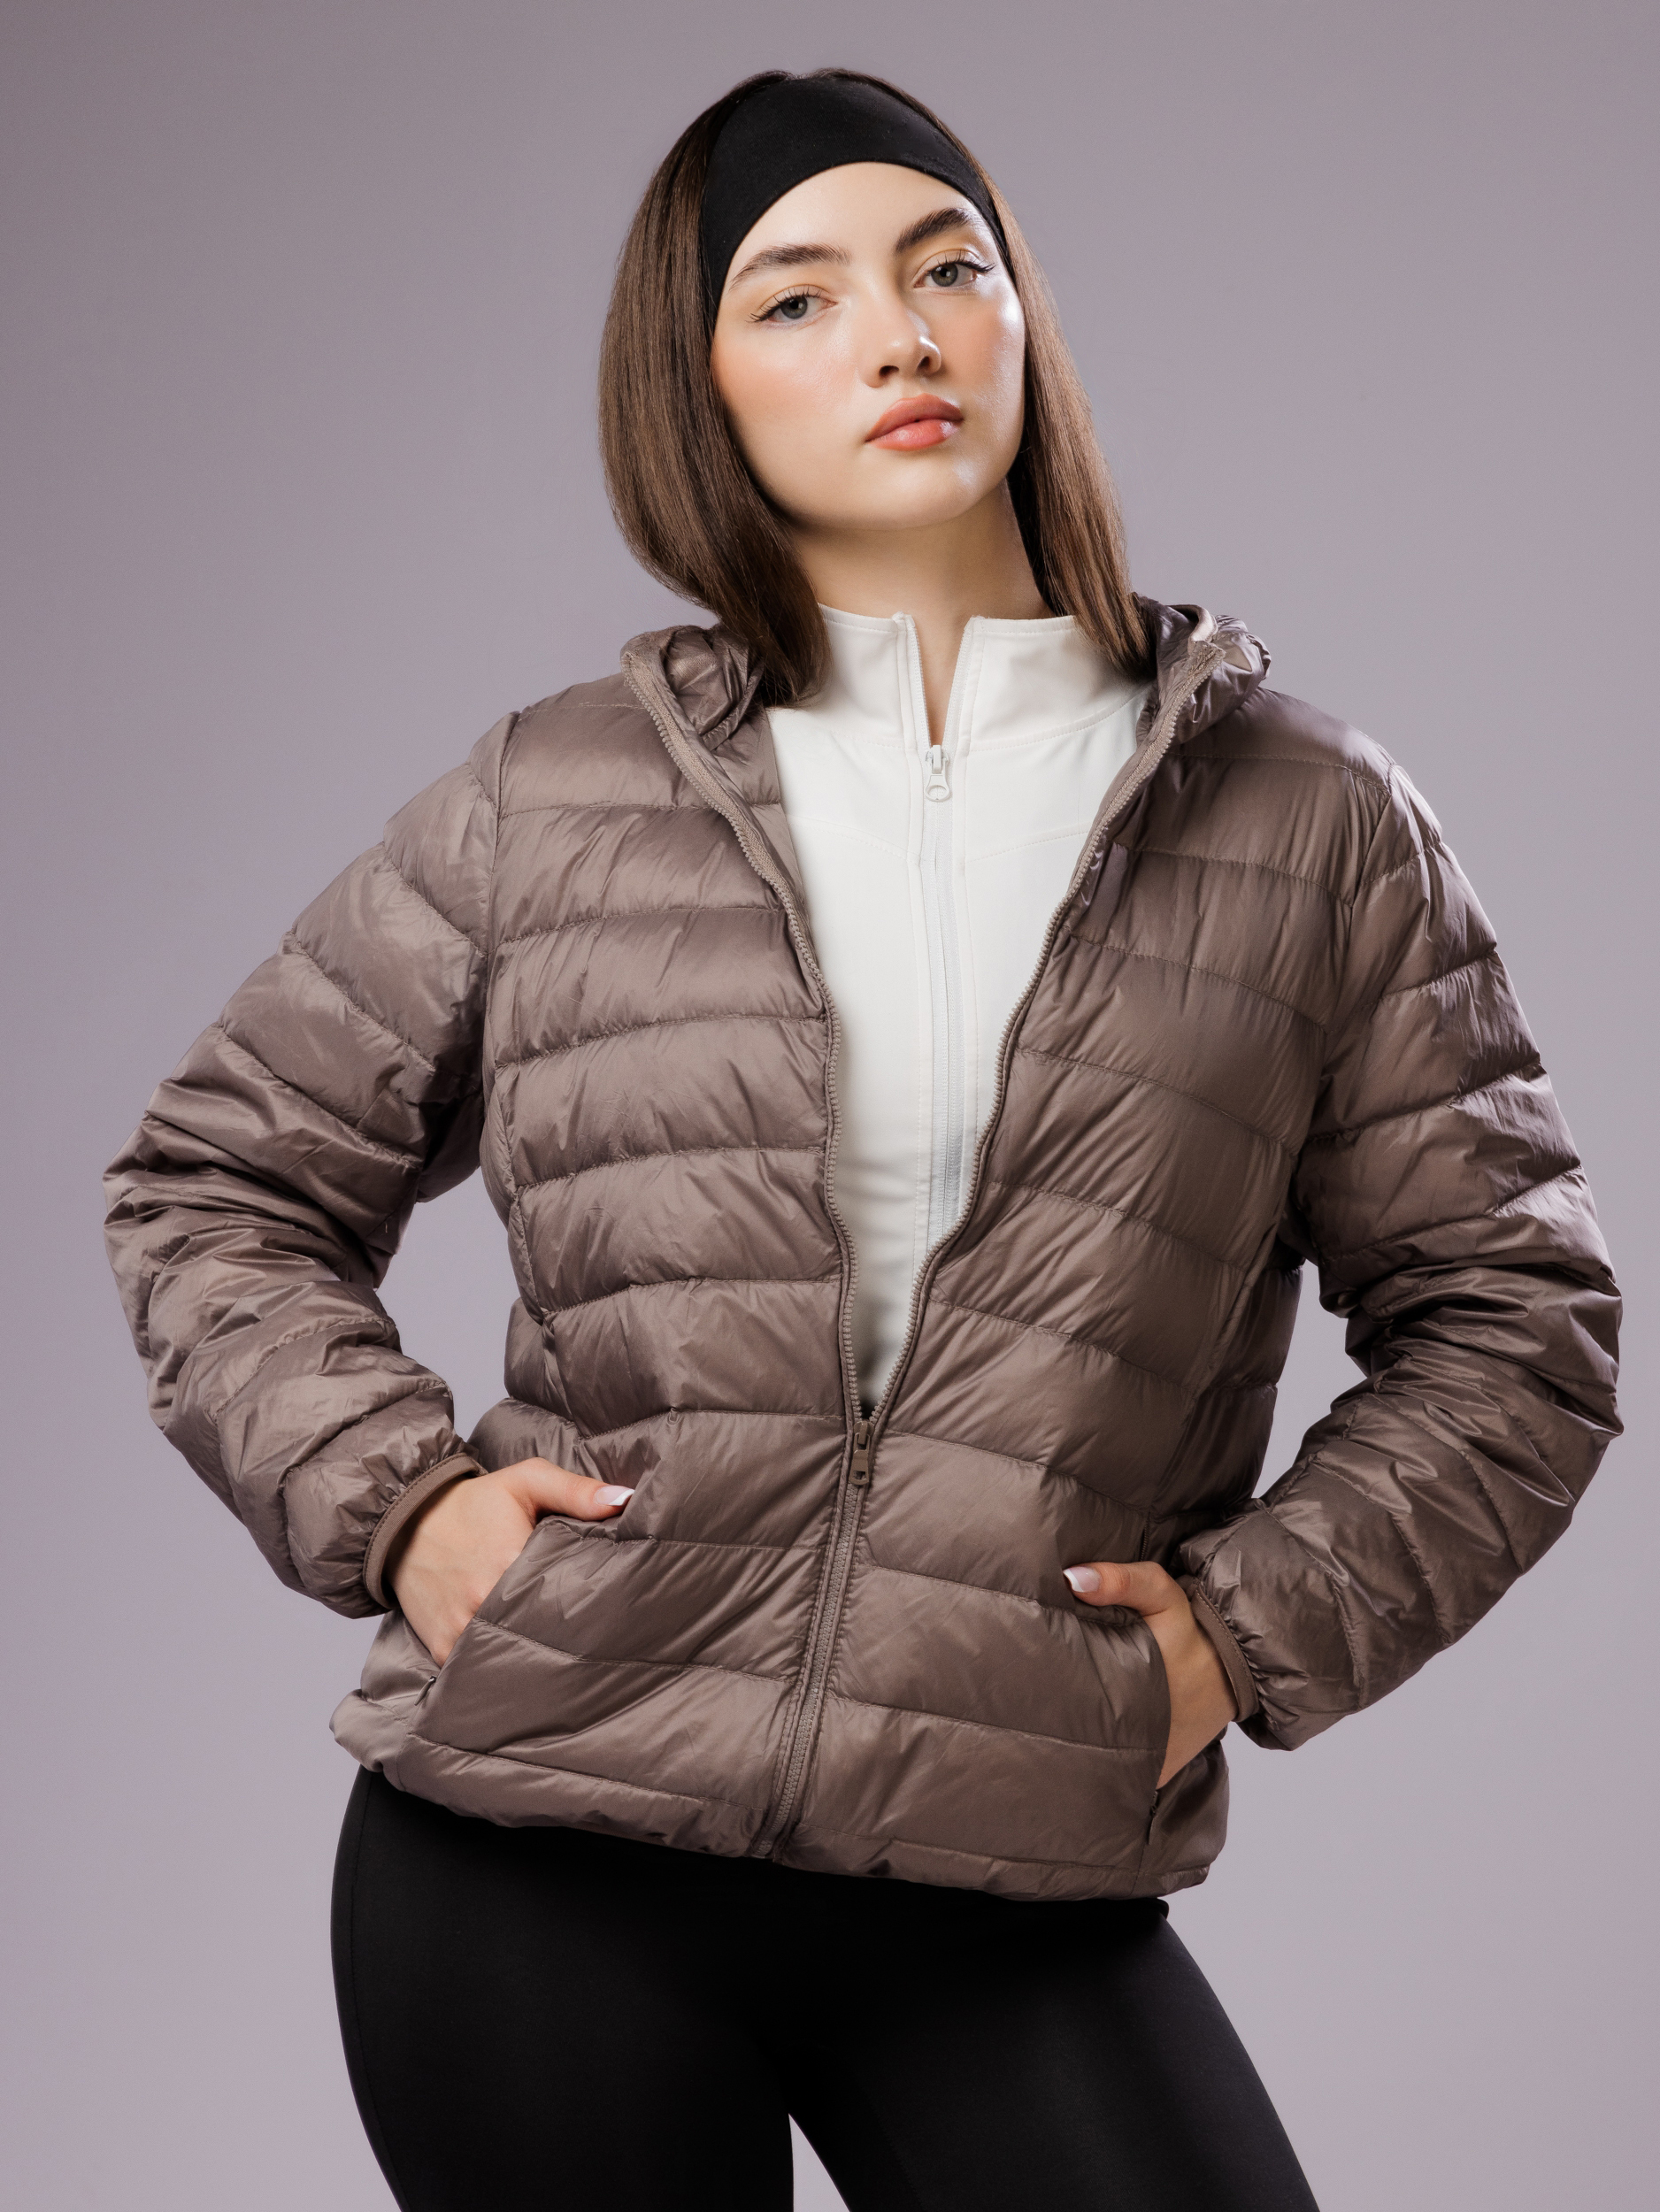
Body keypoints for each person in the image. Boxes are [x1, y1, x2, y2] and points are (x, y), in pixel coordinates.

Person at [103, 67, 1620, 2212]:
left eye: (945, 267)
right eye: (794, 297)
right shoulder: (556, 799)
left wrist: (1241, 1630)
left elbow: (1514, 1323)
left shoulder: (1309, 823)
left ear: (1018, 320)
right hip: (535, 1850)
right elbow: (219, 1181)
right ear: (699, 389)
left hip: (1007, 1863)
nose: (897, 334)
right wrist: (404, 1506)